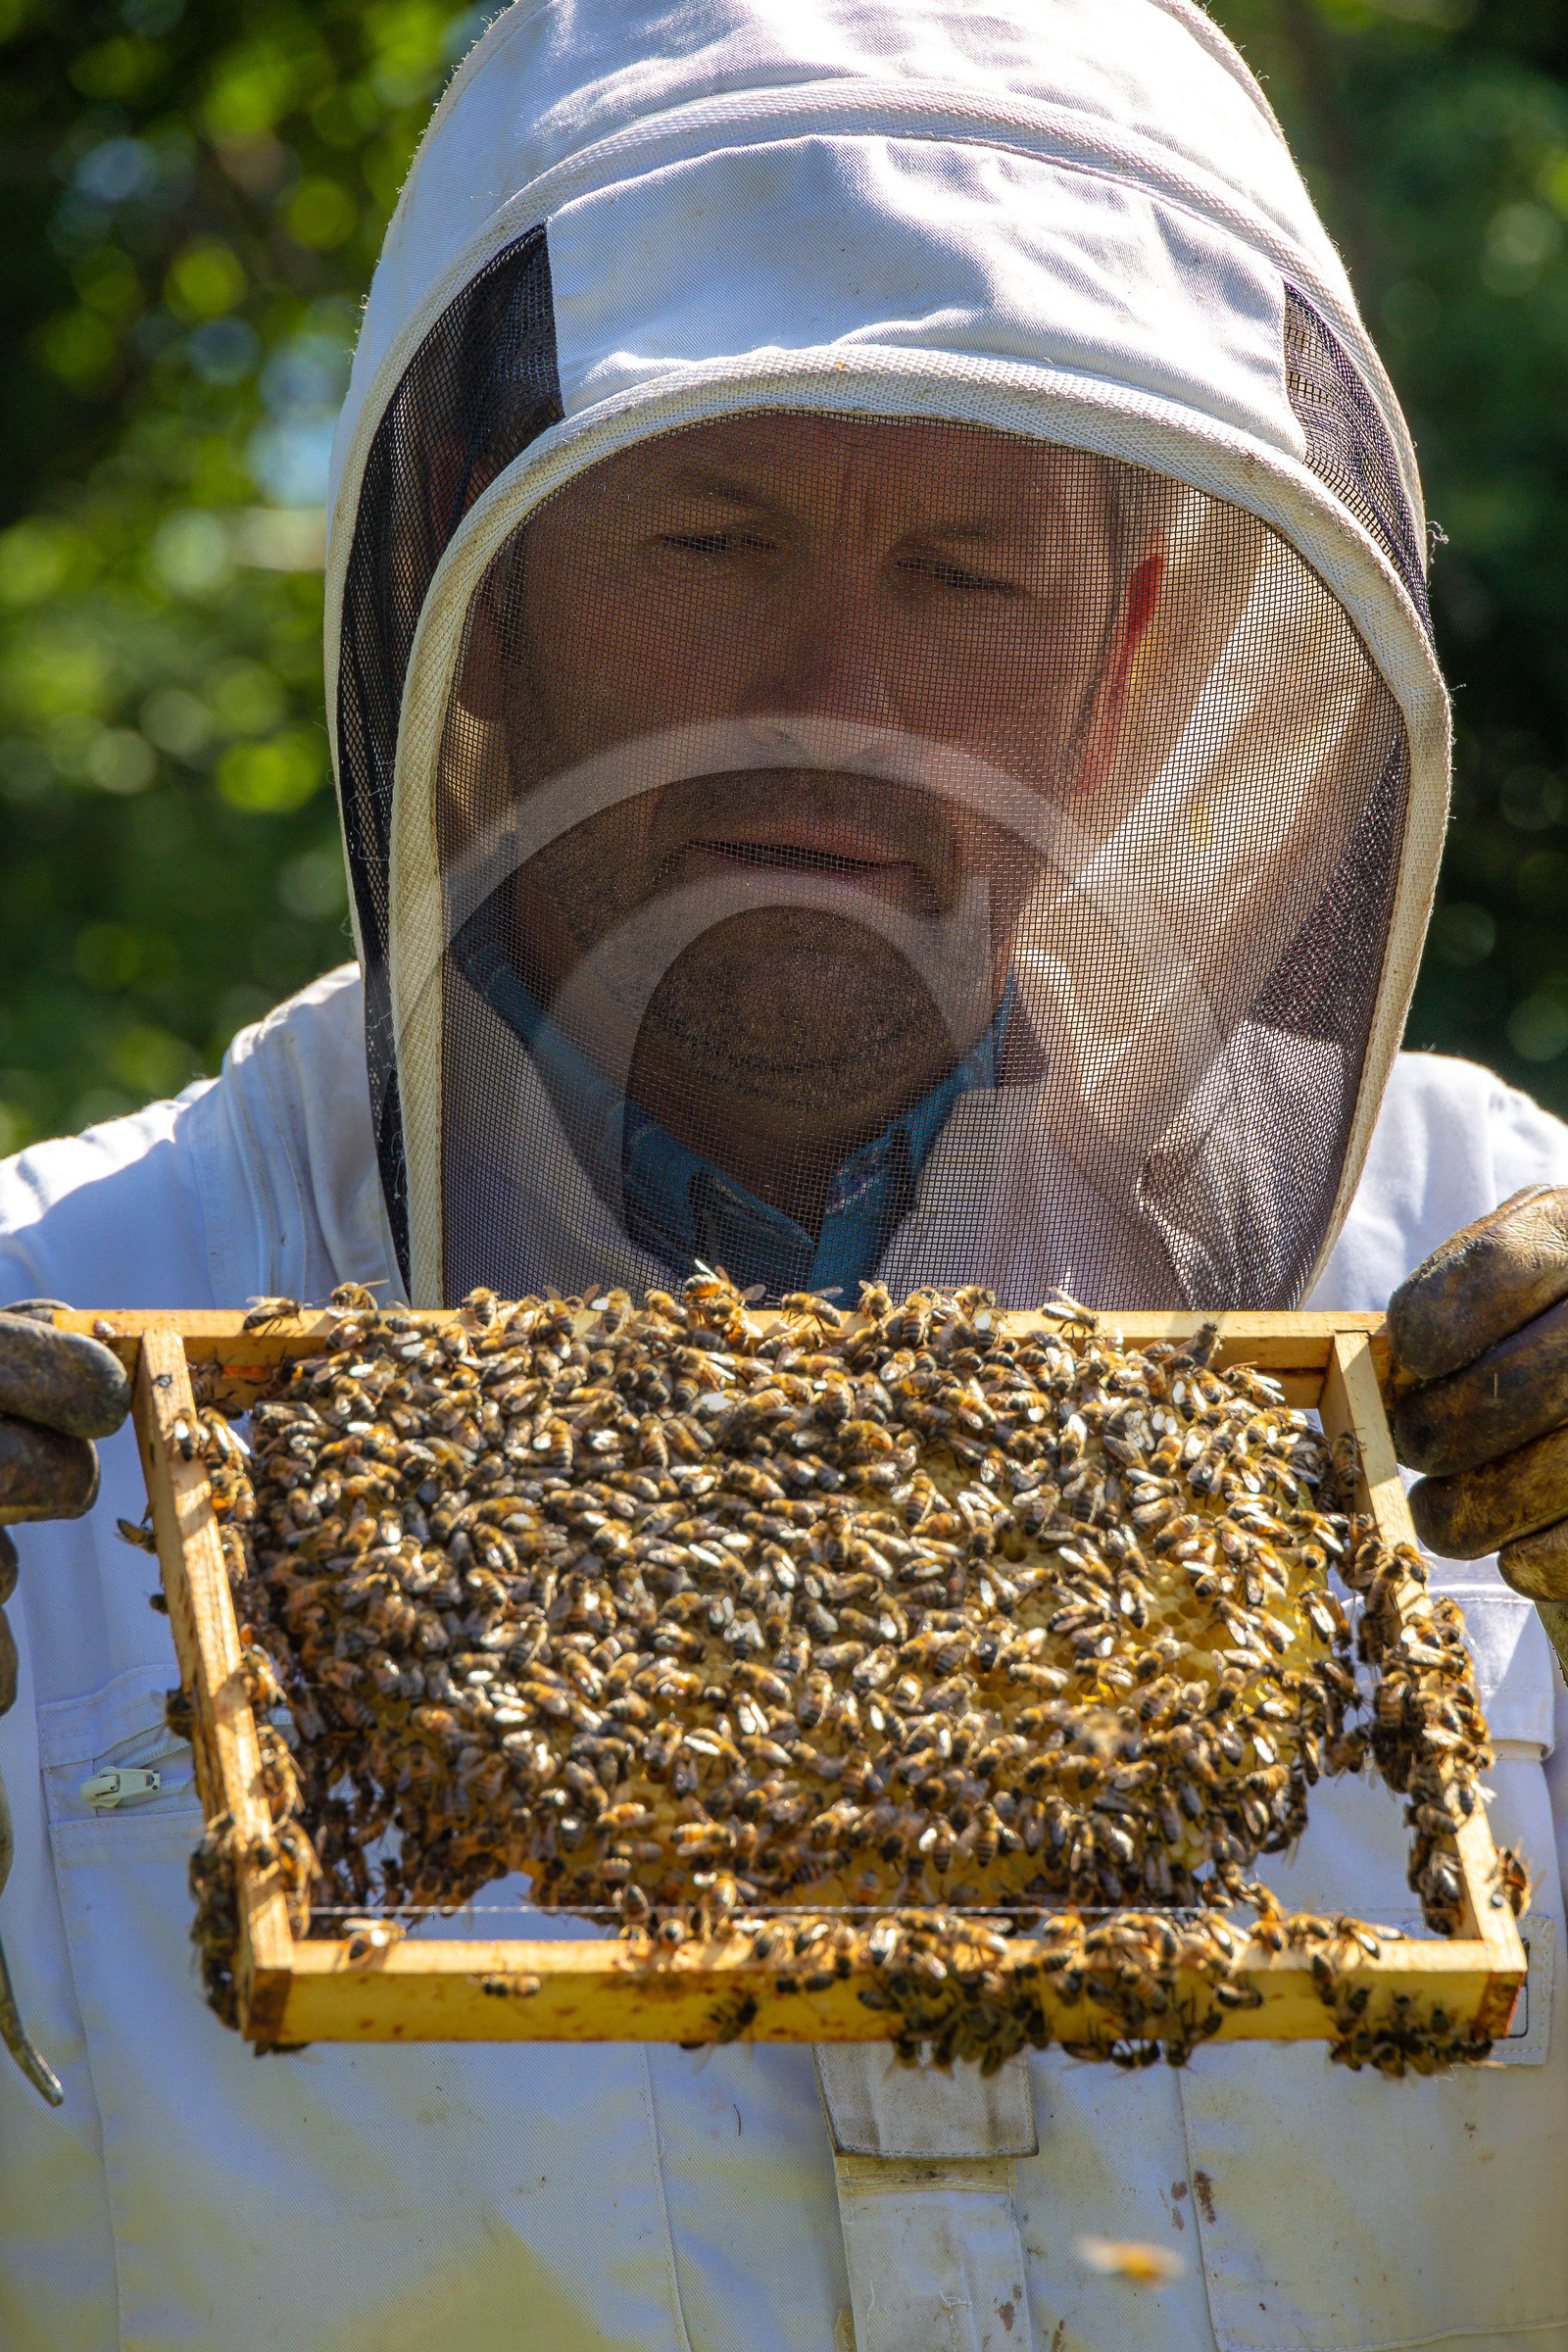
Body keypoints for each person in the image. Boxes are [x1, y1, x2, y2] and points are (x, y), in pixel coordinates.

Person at [1, 3, 1566, 2346]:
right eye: (705, 538)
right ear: (474, 588)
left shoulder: (1469, 1282)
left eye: (970, 576)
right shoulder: (74, 1314)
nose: (832, 690)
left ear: (1122, 657)